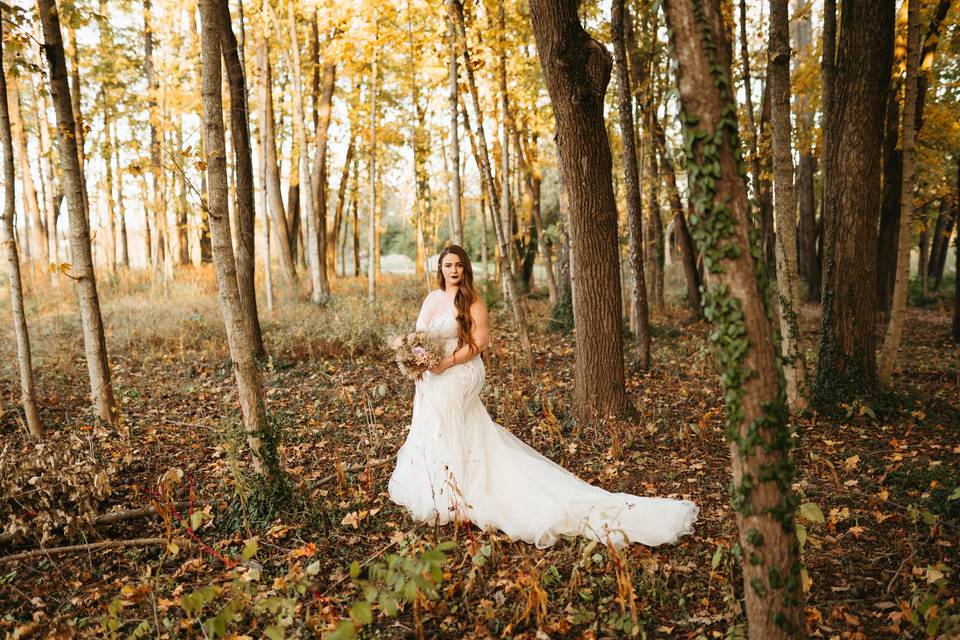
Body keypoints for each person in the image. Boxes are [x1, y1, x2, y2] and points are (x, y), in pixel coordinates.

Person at [388, 244, 699, 548]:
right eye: (447, 265)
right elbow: (420, 339)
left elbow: (480, 342)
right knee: (433, 426)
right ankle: (438, 487)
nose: (453, 270)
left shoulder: (472, 301)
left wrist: (446, 363)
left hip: (459, 371)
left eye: (458, 265)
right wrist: (417, 361)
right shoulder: (431, 298)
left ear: (465, 268)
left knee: (450, 423)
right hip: (430, 376)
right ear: (440, 269)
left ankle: (458, 493)